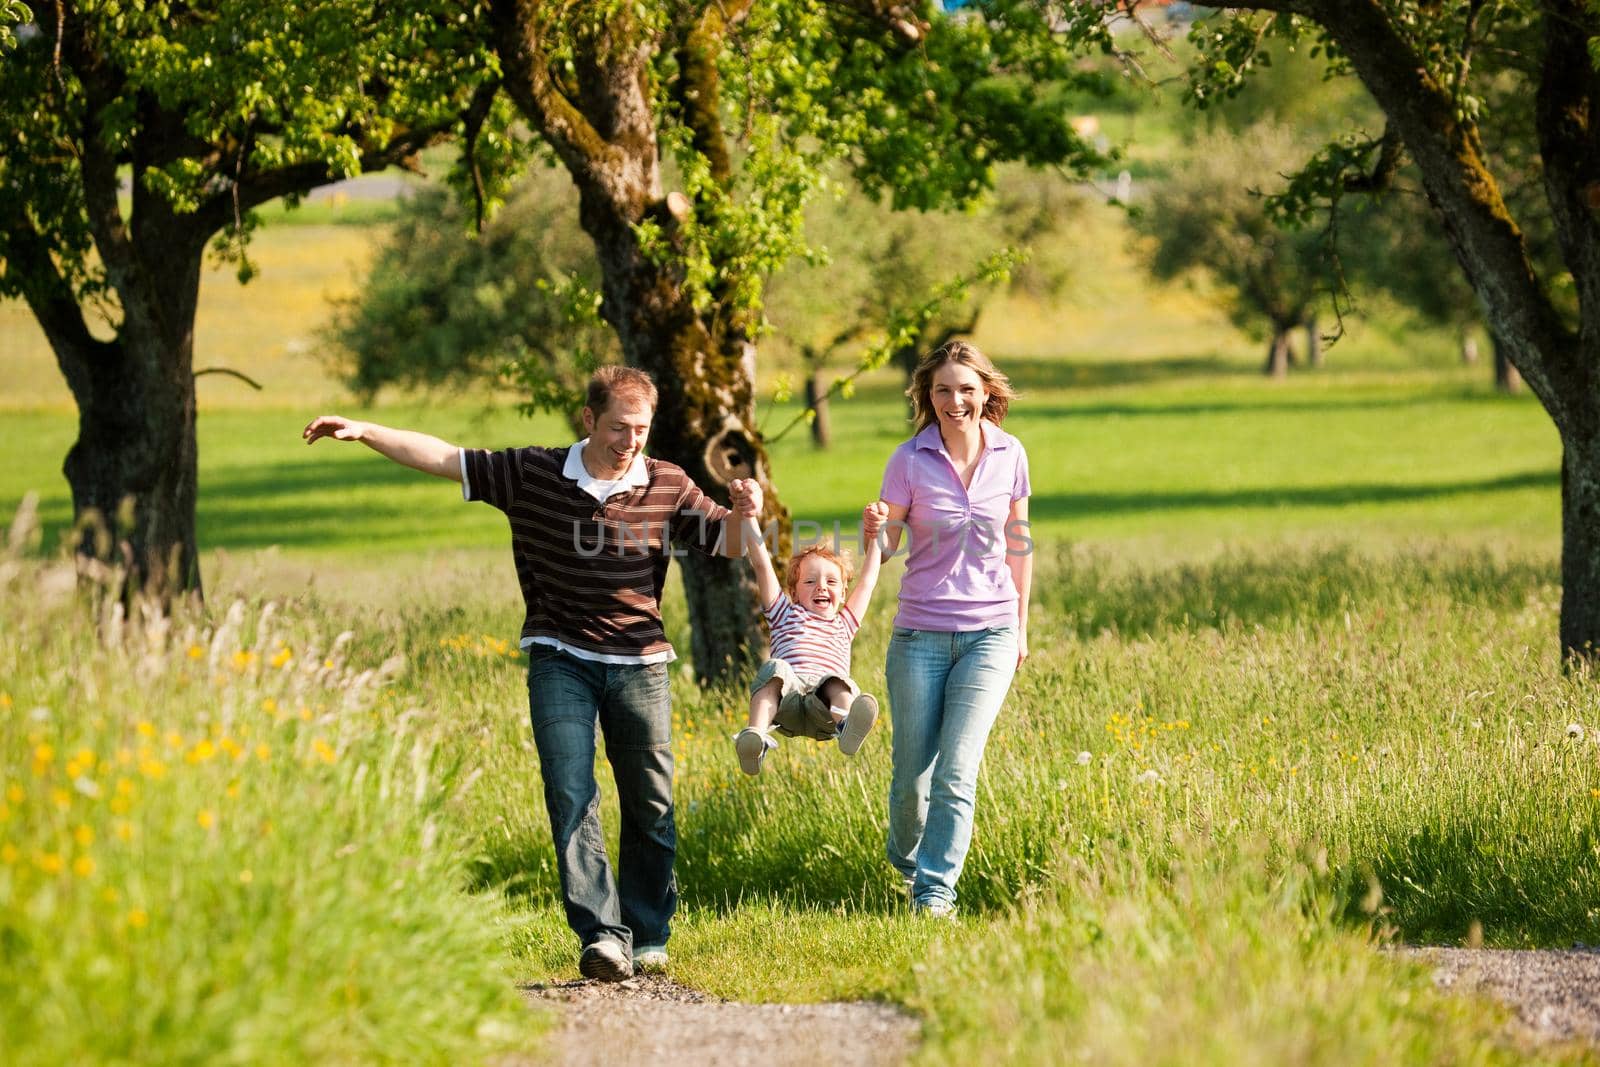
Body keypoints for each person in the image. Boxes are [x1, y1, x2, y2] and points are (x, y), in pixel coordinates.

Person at [301, 367, 761, 981]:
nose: (630, 441)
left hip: (641, 663)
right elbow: (444, 457)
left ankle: (649, 931)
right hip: (559, 657)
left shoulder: (666, 482)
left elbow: (727, 543)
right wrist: (365, 431)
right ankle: (603, 935)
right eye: (619, 427)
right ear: (589, 419)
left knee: (650, 802)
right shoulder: (534, 473)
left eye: (641, 429)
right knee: (571, 792)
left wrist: (746, 511)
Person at [870, 340, 1032, 919]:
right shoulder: (908, 460)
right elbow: (889, 546)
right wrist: (877, 531)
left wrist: (1021, 625)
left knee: (958, 771)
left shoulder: (1011, 454)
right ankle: (908, 860)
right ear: (927, 395)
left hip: (991, 631)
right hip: (920, 636)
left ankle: (935, 895)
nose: (955, 400)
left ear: (987, 392)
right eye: (943, 389)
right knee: (913, 782)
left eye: (967, 388)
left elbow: (1020, 543)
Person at [731, 504, 889, 775]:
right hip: (787, 703)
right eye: (810, 582)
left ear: (843, 593)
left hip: (824, 711)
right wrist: (749, 517)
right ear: (793, 591)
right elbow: (761, 564)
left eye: (831, 582)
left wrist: (876, 536)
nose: (821, 587)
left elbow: (868, 581)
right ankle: (755, 737)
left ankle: (847, 725)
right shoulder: (783, 613)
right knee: (775, 670)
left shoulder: (845, 623)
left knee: (835, 682)